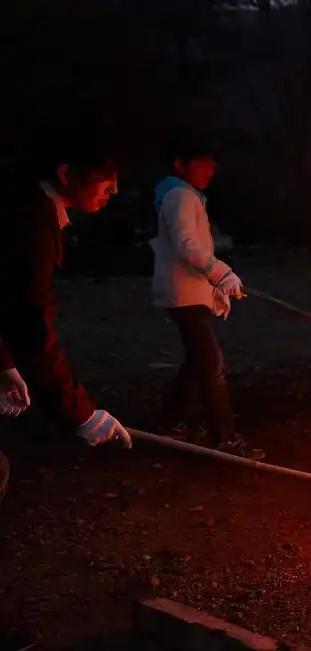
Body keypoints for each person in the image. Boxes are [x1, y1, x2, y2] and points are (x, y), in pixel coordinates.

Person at [0, 129, 132, 651]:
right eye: (106, 178)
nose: (115, 189)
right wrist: (81, 412)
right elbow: (32, 321)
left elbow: (7, 304)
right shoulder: (28, 220)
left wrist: (2, 364)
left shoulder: (24, 207)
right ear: (65, 174)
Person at [151, 132, 262, 460]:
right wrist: (220, 273)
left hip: (187, 292)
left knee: (197, 361)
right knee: (211, 363)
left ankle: (169, 421)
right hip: (182, 294)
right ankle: (225, 438)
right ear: (179, 164)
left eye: (211, 164)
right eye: (201, 164)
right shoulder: (180, 197)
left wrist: (216, 283)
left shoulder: (184, 195)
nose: (209, 171)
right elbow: (188, 244)